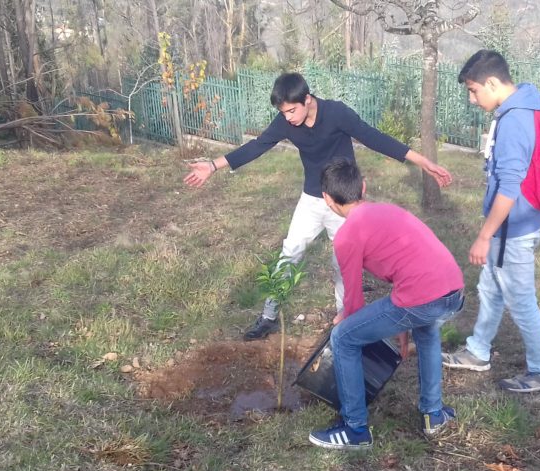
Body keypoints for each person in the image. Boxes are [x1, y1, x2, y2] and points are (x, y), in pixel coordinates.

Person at [183, 72, 453, 341]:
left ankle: (346, 319)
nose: (288, 118)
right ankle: (268, 316)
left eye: (291, 110)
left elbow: (374, 137)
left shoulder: (336, 113)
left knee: (343, 262)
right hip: (312, 198)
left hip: (343, 200)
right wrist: (213, 165)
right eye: (283, 112)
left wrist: (424, 162)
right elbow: (258, 145)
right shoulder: (286, 122)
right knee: (291, 252)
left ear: (308, 100)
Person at [307, 158, 465, 450]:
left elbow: (353, 300)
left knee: (344, 337)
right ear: (363, 188)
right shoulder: (389, 210)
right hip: (453, 292)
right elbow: (405, 267)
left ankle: (355, 429)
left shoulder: (347, 236)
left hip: (422, 297)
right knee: (427, 332)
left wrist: (345, 321)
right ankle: (434, 414)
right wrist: (401, 328)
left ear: (327, 200)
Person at [441, 50, 540, 394]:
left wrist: (484, 236)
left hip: (513, 231)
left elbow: (510, 186)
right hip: (510, 229)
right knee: (490, 290)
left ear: (492, 83)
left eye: (474, 90)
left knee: (521, 303)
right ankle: (478, 350)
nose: (471, 97)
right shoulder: (520, 108)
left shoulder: (515, 120)